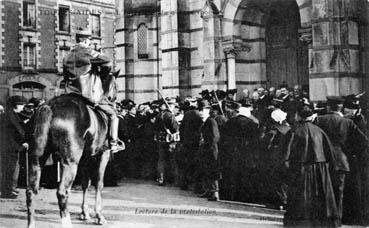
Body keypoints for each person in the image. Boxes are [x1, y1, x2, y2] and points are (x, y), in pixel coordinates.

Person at [63, 29, 122, 152]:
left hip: (71, 94)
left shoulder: (67, 55)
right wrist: (102, 73)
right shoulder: (88, 52)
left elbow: (65, 76)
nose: (89, 43)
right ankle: (114, 143)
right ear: (85, 40)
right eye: (89, 40)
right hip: (88, 94)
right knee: (113, 116)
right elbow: (107, 61)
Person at [314, 96, 369, 226]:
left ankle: (322, 219)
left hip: (322, 160)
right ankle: (337, 221)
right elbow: (363, 142)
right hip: (341, 161)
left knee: (322, 190)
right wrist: (349, 152)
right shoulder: (348, 123)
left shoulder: (319, 120)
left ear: (328, 107)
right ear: (341, 108)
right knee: (339, 191)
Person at [283, 102, 339, 227]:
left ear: (298, 115)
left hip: (300, 168)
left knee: (301, 197)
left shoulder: (293, 131)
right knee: (320, 196)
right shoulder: (320, 131)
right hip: (320, 169)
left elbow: (286, 154)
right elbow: (330, 153)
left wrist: (286, 171)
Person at [0, 96, 28, 198]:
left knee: (8, 169)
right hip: (10, 147)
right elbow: (18, 131)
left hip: (9, 146)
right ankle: (7, 192)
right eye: (22, 105)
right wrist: (24, 142)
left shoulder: (11, 115)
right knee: (9, 169)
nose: (23, 107)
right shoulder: (10, 116)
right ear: (16, 105)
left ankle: (8, 190)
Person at [154, 100, 179, 186]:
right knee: (172, 159)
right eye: (172, 105)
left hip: (160, 139)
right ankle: (173, 179)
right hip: (169, 140)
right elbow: (175, 129)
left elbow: (156, 127)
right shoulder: (170, 115)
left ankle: (161, 178)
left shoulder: (158, 115)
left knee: (161, 159)